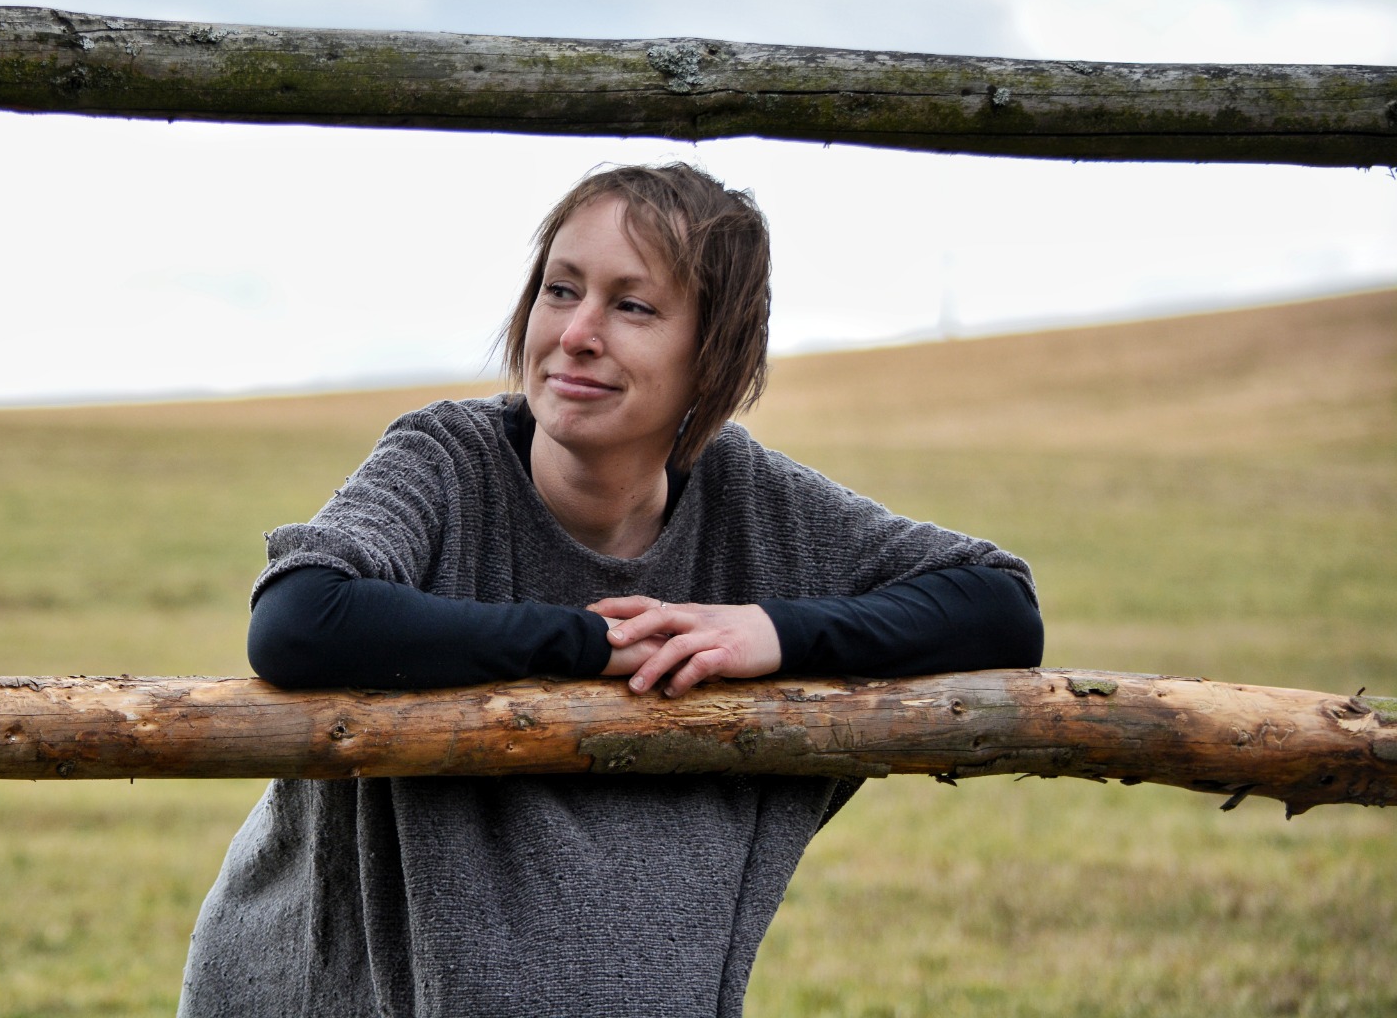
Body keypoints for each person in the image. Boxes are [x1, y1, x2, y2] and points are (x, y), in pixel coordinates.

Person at [179, 163, 1041, 1018]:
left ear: (714, 355)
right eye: (560, 291)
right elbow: (299, 619)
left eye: (633, 306)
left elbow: (998, 606)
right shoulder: (443, 461)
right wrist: (589, 644)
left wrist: (769, 632)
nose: (579, 332)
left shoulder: (749, 502)